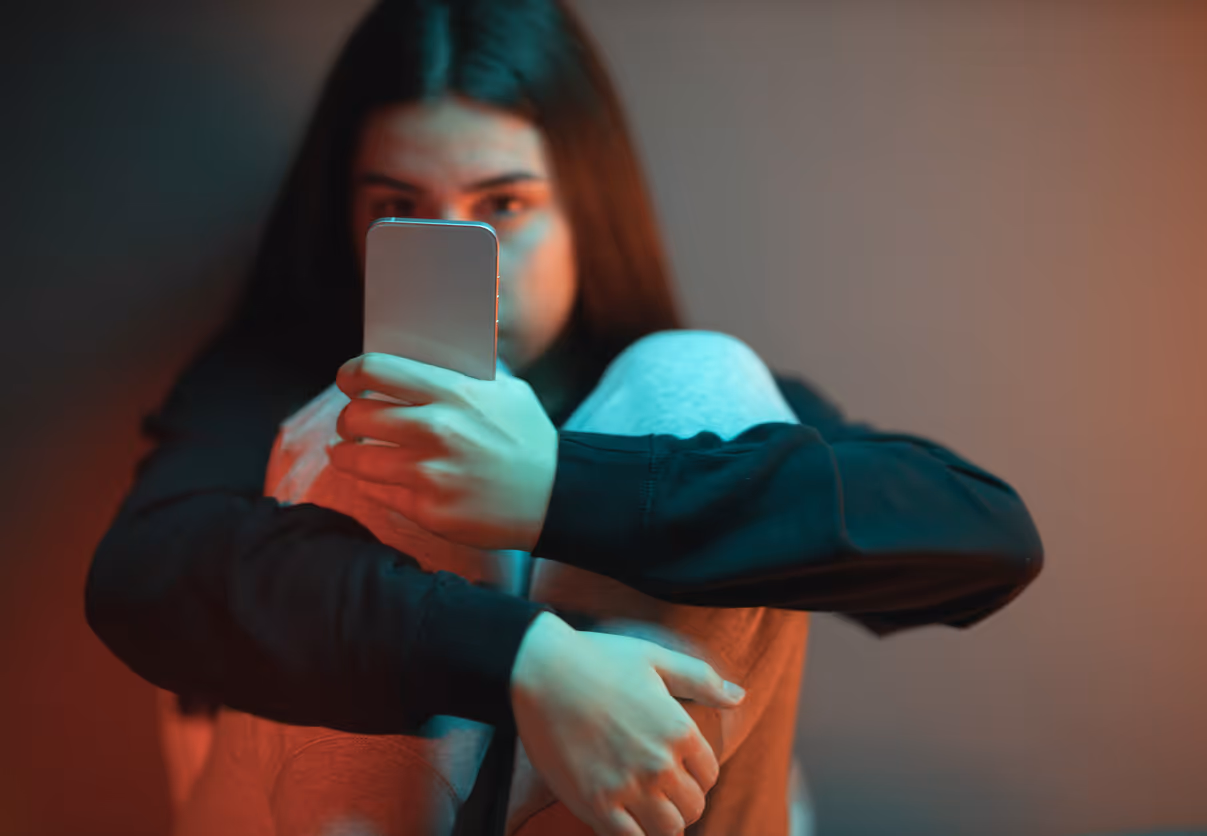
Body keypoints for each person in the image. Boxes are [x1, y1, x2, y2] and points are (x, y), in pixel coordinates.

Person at [84, 0, 1045, 834]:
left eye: (503, 204)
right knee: (354, 418)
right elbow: (145, 573)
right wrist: (522, 658)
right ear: (346, 220)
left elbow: (985, 535)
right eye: (400, 208)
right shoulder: (277, 377)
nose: (468, 256)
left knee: (697, 381)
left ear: (585, 208)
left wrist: (556, 487)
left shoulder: (678, 398)